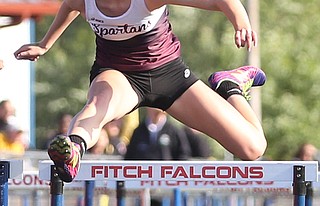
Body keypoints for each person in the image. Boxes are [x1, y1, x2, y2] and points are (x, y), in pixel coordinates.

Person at [14, 0, 267, 183]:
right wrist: (45, 44)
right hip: (119, 75)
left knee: (252, 148)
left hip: (170, 78)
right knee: (96, 107)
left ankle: (230, 85)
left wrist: (241, 22)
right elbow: (69, 7)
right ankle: (74, 149)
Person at [125, 107, 192, 206]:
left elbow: (183, 155)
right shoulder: (139, 131)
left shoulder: (173, 131)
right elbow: (129, 157)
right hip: (141, 186)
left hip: (165, 187)